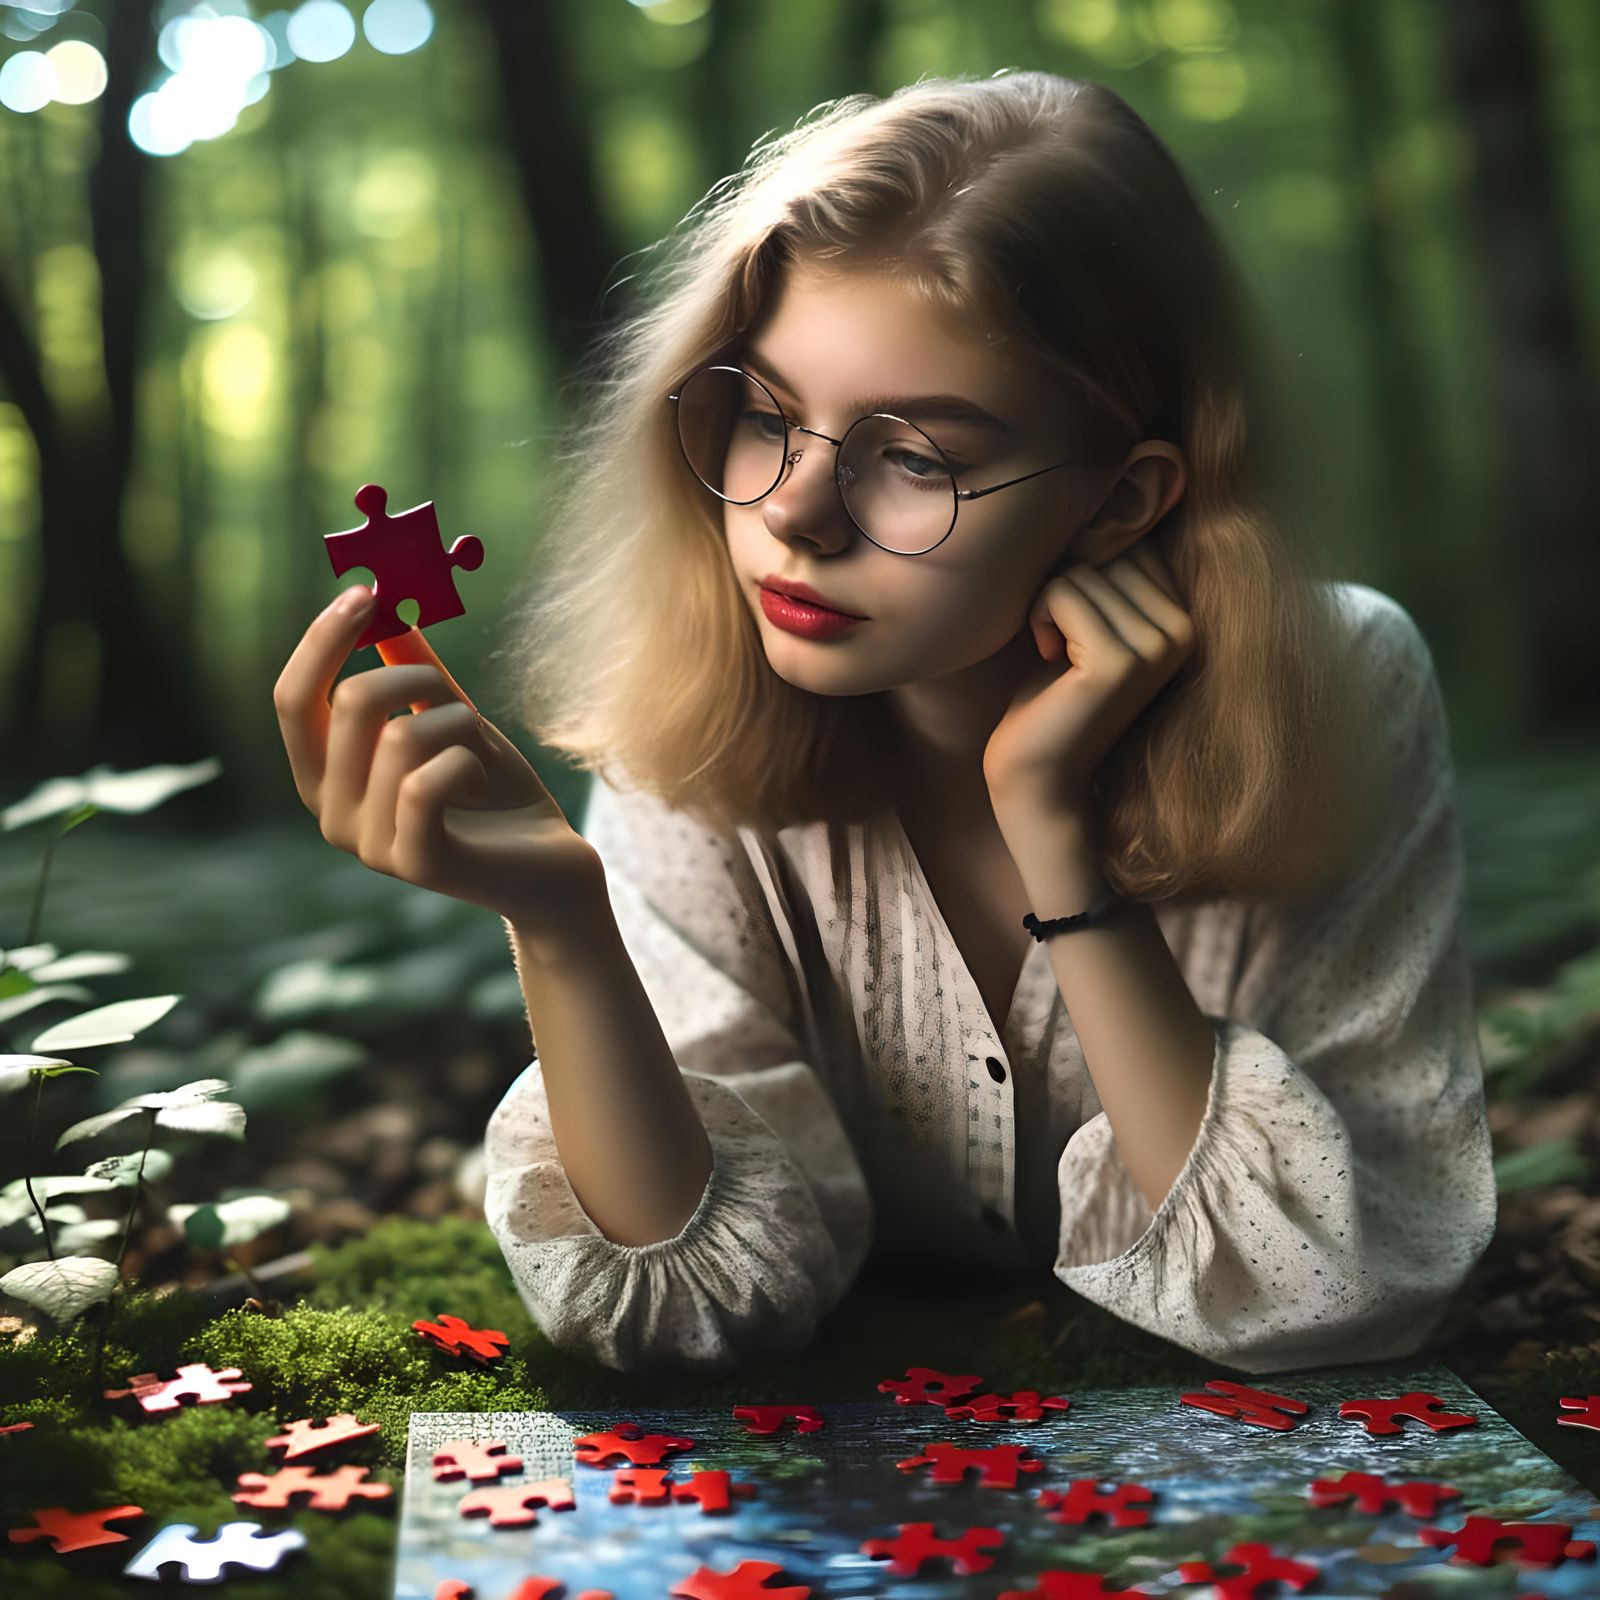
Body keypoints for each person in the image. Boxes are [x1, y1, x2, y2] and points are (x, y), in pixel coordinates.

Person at [275, 71, 1497, 1377]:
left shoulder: (1340, 686)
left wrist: (1057, 839)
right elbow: (694, 1315)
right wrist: (563, 926)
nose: (794, 517)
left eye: (915, 457)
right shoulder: (695, 716)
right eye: (764, 417)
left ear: (1122, 500)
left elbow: (1346, 1290)